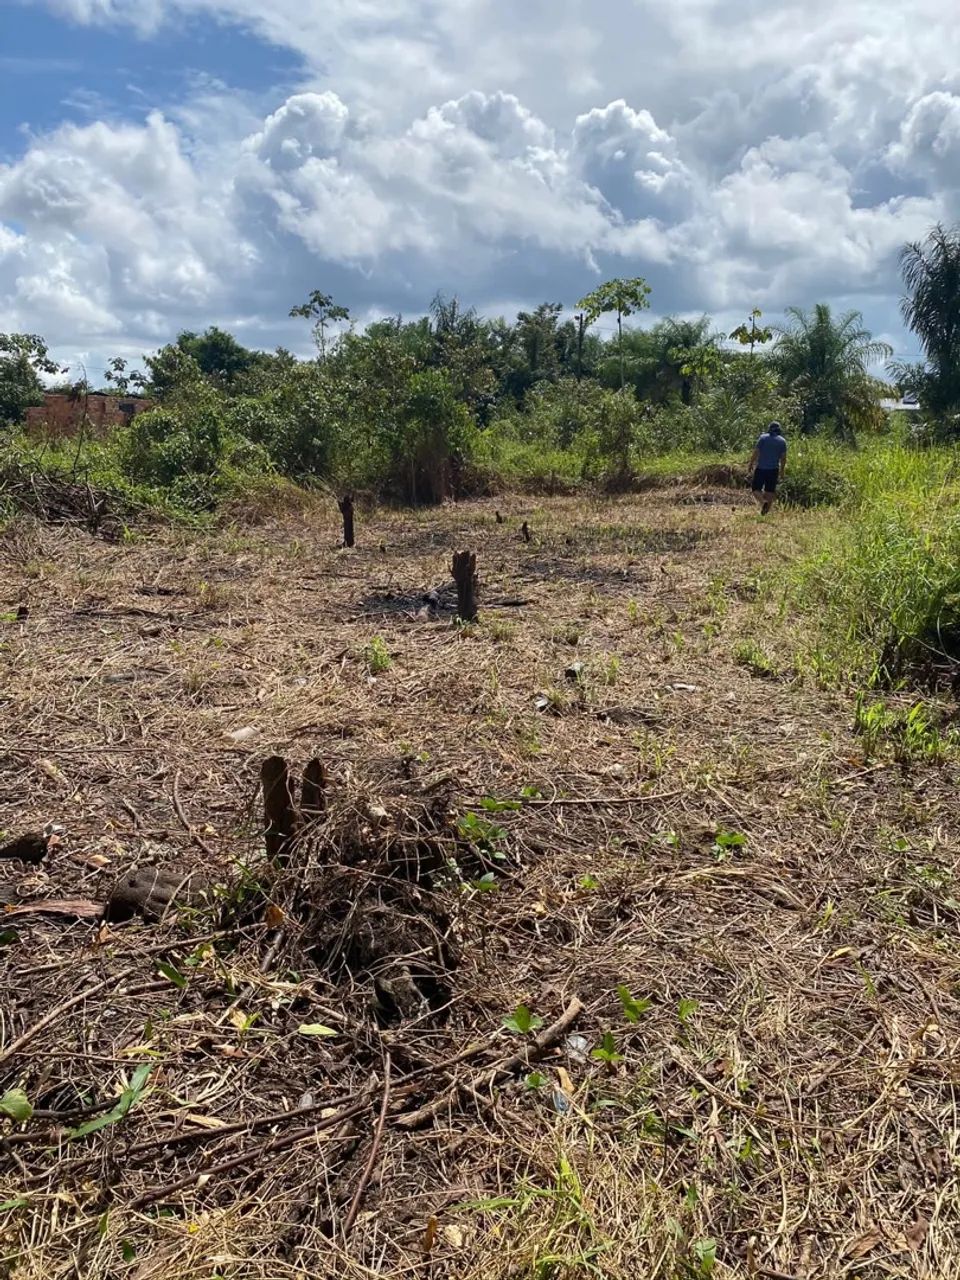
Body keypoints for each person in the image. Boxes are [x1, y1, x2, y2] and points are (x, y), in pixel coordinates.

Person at [748, 421, 787, 515]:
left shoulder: (763, 438)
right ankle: (765, 513)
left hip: (761, 468)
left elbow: (756, 452)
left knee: (755, 489)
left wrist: (750, 464)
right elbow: (783, 459)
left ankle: (762, 502)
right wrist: (782, 471)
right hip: (774, 470)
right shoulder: (782, 441)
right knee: (770, 491)